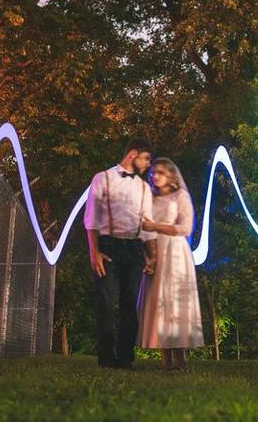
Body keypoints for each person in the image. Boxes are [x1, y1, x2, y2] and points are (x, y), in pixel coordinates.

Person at [84, 138, 157, 369]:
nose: (148, 164)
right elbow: (91, 218)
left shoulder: (144, 187)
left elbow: (147, 223)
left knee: (129, 307)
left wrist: (151, 255)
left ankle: (125, 359)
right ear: (132, 154)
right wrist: (94, 251)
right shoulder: (102, 178)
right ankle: (106, 358)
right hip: (108, 246)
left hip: (134, 248)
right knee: (106, 303)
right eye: (146, 159)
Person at [138, 157, 204, 371]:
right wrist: (149, 254)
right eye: (153, 173)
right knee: (160, 302)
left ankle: (181, 358)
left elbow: (185, 227)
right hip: (155, 251)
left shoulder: (180, 196)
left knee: (177, 302)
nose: (155, 176)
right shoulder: (149, 198)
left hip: (176, 253)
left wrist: (155, 225)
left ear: (171, 176)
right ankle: (165, 360)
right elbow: (143, 227)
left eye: (160, 173)